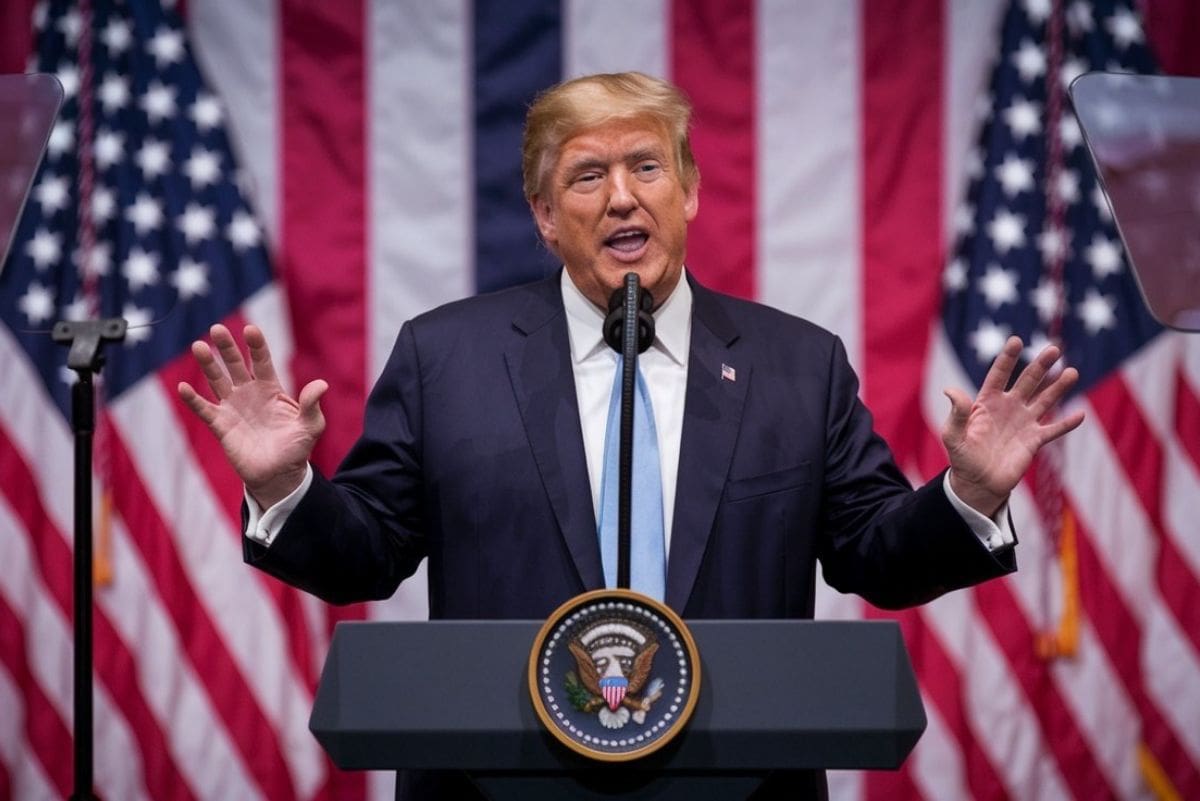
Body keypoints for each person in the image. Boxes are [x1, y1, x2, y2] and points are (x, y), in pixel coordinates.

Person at [178, 72, 1083, 800]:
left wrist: (969, 494)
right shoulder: (444, 357)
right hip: (497, 785)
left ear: (687, 190)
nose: (622, 198)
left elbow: (876, 556)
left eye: (647, 168)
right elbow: (363, 557)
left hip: (741, 783)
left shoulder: (796, 365)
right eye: (585, 176)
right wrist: (282, 489)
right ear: (543, 215)